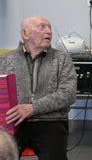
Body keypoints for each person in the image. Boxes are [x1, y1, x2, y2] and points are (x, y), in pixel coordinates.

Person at [0, 16, 77, 160]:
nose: (48, 31)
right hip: (13, 121)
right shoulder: (4, 60)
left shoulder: (62, 59)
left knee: (53, 156)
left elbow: (68, 94)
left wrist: (32, 108)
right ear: (25, 33)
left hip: (50, 122)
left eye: (49, 28)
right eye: (42, 27)